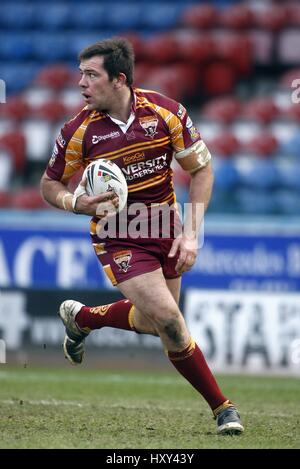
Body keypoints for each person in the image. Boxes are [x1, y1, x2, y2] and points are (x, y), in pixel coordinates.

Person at [40, 37, 244, 435]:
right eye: (80, 73)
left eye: (90, 74)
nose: (81, 83)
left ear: (119, 79)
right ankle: (224, 408)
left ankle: (82, 318)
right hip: (119, 236)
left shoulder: (166, 113)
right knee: (170, 321)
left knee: (157, 326)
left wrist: (190, 234)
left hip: (166, 229)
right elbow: (50, 184)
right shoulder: (78, 131)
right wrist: (73, 203)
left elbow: (202, 171)